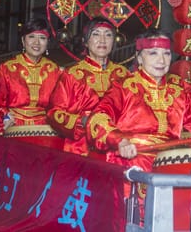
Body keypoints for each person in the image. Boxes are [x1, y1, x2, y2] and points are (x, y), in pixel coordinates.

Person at [85, 30, 191, 173]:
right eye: (153, 53)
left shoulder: (178, 92)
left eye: (166, 54)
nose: (161, 60)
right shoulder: (124, 88)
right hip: (130, 164)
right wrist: (120, 141)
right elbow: (97, 119)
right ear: (139, 58)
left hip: (168, 165)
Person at [47, 18, 129, 156]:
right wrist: (81, 121)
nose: (103, 40)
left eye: (108, 35)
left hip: (116, 149)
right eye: (96, 34)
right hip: (80, 149)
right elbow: (54, 113)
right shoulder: (72, 74)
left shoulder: (124, 75)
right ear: (85, 41)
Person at [0, 18, 61, 135]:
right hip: (14, 128)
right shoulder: (8, 68)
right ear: (23, 41)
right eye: (31, 37)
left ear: (47, 42)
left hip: (44, 131)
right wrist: (4, 117)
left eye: (42, 38)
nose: (37, 42)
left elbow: (60, 105)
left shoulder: (54, 70)